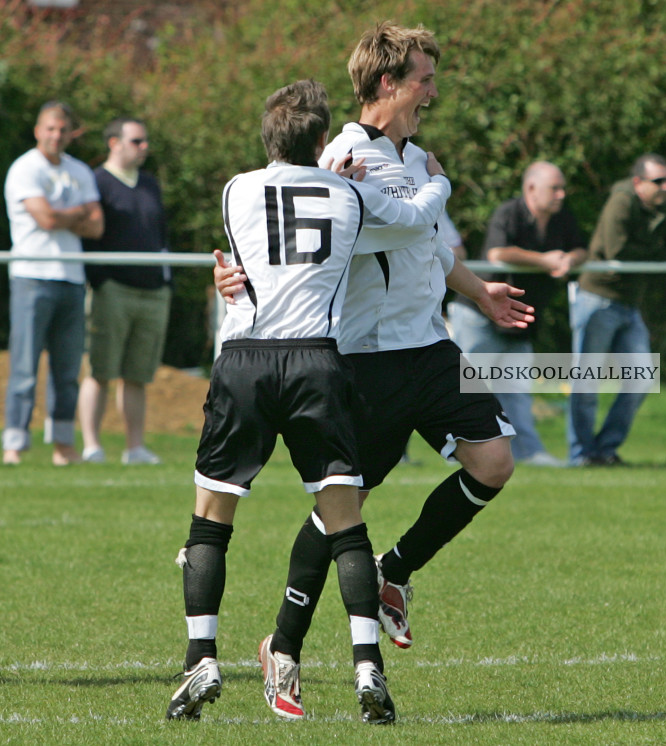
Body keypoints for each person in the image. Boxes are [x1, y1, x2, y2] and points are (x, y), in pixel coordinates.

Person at [213, 22, 532, 723]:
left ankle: (398, 569)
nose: (433, 92)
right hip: (364, 360)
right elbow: (384, 227)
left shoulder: (417, 158)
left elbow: (431, 243)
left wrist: (479, 291)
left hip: (430, 348)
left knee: (495, 463)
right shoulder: (341, 155)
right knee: (338, 510)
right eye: (424, 79)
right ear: (387, 83)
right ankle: (282, 644)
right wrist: (435, 195)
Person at [166, 79, 454, 724]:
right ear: (324, 140)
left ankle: (200, 659)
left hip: (245, 360)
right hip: (318, 364)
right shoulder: (350, 194)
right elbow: (409, 220)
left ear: (268, 139)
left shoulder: (235, 189)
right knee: (346, 523)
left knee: (210, 521)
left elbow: (242, 261)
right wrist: (437, 181)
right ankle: (366, 669)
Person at [448, 161, 586, 467]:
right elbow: (497, 253)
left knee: (517, 390)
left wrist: (568, 259)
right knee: (472, 386)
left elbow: (581, 248)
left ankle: (529, 452)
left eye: (562, 188)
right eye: (555, 188)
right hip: (479, 314)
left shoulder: (562, 218)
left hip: (519, 319)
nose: (561, 195)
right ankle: (460, 452)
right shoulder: (508, 212)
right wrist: (545, 260)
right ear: (531, 188)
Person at [3, 101, 104, 466]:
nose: (56, 135)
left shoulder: (80, 170)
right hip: (32, 275)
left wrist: (65, 216)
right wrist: (75, 213)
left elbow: (96, 226)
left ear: (70, 132)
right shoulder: (24, 169)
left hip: (71, 277)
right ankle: (14, 444)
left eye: (62, 129)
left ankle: (63, 445)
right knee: (25, 367)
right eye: (49, 128)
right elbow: (44, 219)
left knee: (66, 369)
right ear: (37, 130)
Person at [567, 153, 666, 466]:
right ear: (638, 183)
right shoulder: (621, 201)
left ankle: (604, 450)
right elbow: (619, 252)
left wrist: (652, 255)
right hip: (598, 299)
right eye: (658, 182)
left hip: (630, 304)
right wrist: (653, 255)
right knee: (586, 381)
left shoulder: (665, 204)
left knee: (642, 378)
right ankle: (581, 455)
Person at [78, 117, 172, 466]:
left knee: (138, 374)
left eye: (145, 141)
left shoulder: (149, 184)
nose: (144, 147)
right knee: (100, 369)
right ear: (114, 143)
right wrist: (99, 279)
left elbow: (161, 235)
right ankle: (91, 445)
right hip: (112, 289)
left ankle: (135, 448)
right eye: (137, 141)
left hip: (153, 291)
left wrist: (165, 282)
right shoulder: (96, 181)